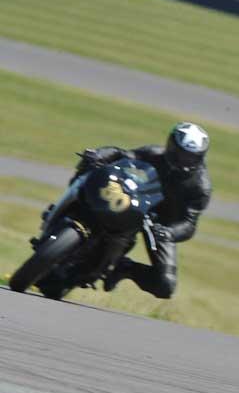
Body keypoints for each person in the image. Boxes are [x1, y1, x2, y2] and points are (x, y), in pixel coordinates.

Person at [72, 122, 212, 299]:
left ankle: (124, 267)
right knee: (92, 177)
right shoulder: (154, 154)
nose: (185, 160)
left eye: (191, 157)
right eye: (181, 154)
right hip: (136, 201)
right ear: (171, 146)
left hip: (162, 225)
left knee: (165, 285)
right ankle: (71, 216)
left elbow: (189, 224)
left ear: (200, 157)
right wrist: (99, 154)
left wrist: (169, 233)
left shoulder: (201, 187)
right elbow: (122, 155)